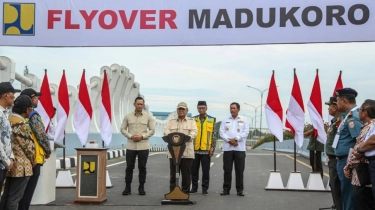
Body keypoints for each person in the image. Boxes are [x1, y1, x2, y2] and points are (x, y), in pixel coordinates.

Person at [0, 95, 36, 210]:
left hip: (8, 163)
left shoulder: (7, 119)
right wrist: (33, 159)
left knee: (5, 196)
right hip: (22, 167)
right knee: (15, 199)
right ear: (27, 110)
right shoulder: (22, 124)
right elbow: (28, 147)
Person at [18, 88, 51, 210]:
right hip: (34, 159)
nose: (38, 100)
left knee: (17, 193)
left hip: (20, 158)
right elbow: (41, 135)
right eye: (36, 98)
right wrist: (48, 150)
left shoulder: (15, 115)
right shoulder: (33, 116)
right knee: (27, 193)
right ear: (31, 100)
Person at [343, 99, 375, 209]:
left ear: (365, 112)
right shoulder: (367, 126)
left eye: (360, 110)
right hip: (364, 170)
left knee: (363, 201)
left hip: (363, 171)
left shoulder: (370, 127)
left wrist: (348, 166)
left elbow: (358, 151)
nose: (358, 112)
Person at [334, 88, 362, 210]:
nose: (337, 104)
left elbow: (360, 141)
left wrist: (351, 163)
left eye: (338, 100)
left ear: (344, 100)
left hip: (348, 160)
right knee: (345, 193)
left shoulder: (353, 117)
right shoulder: (347, 116)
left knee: (349, 194)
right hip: (343, 159)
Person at [120, 97, 155, 195]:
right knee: (129, 167)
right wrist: (131, 136)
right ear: (134, 104)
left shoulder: (148, 117)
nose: (140, 106)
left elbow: (152, 130)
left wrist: (142, 136)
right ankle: (127, 187)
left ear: (143, 105)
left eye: (141, 104)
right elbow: (122, 129)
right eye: (138, 104)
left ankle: (141, 187)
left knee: (142, 167)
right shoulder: (128, 116)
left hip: (143, 146)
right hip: (131, 146)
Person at [164, 102, 197, 194]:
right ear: (177, 110)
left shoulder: (191, 121)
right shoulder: (171, 121)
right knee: (173, 174)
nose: (181, 111)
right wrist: (171, 137)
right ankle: (173, 192)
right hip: (173, 152)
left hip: (186, 151)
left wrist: (189, 137)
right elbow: (166, 131)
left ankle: (185, 193)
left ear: (187, 111)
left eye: (183, 109)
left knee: (186, 174)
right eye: (179, 109)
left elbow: (194, 132)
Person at [219, 102, 249, 196]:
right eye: (231, 108)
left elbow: (245, 132)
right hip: (228, 149)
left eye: (234, 108)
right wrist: (230, 141)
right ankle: (226, 189)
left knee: (239, 170)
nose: (232, 110)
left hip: (239, 149)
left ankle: (240, 190)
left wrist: (236, 139)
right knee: (227, 170)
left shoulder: (244, 120)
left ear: (238, 109)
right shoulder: (225, 120)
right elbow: (221, 132)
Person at [190, 101, 216, 195]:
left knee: (205, 171)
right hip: (194, 150)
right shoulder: (193, 120)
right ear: (197, 108)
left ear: (206, 108)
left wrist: (212, 148)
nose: (201, 110)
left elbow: (214, 135)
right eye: (199, 108)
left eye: (203, 108)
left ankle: (205, 188)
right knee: (193, 171)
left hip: (206, 150)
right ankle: (194, 187)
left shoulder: (212, 120)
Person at [0, 82, 20, 189]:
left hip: (4, 164)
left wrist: (11, 157)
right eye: (13, 94)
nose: (14, 97)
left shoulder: (5, 113)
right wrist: (6, 160)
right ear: (6, 95)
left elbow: (7, 138)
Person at [325, 96, 343, 210]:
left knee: (336, 184)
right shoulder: (335, 121)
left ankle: (339, 206)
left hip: (336, 158)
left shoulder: (339, 121)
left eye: (330, 106)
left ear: (336, 107)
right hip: (333, 157)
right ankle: (337, 205)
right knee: (334, 183)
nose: (328, 109)